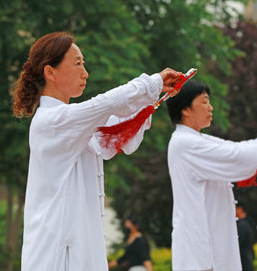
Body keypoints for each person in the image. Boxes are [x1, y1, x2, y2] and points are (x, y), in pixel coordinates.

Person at [11, 32, 181, 271]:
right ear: (50, 72)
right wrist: (151, 83)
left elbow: (112, 129)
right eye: (78, 63)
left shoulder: (74, 124)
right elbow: (105, 104)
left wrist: (152, 98)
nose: (85, 73)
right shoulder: (52, 121)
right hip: (55, 252)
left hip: (79, 246)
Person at [165, 80, 257, 271]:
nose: (211, 107)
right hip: (202, 256)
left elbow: (234, 148)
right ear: (186, 110)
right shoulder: (186, 143)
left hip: (208, 250)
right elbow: (236, 158)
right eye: (204, 102)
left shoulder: (195, 139)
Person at [236, 200, 255, 271]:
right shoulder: (244, 223)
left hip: (244, 261)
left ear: (240, 209)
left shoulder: (243, 225)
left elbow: (237, 242)